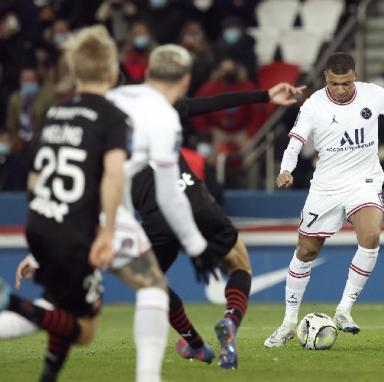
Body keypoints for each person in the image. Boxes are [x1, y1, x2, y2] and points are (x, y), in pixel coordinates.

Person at [0, 82, 306, 371]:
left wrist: (40, 254)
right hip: (195, 199)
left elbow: (75, 194)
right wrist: (264, 95)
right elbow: (209, 104)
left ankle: (194, 343)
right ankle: (230, 320)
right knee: (239, 263)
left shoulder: (96, 131)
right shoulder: (157, 109)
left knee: (152, 285)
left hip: (156, 217)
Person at [0, 25, 129, 382]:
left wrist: (43, 222)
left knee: (59, 308)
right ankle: (9, 301)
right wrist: (108, 231)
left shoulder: (56, 113)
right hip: (74, 233)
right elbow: (113, 174)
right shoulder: (111, 116)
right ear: (110, 71)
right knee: (84, 329)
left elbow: (33, 178)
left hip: (42, 221)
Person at [264, 52, 384, 347]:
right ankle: (288, 323)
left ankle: (344, 310)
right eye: (334, 83)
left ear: (354, 75)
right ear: (326, 79)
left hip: (364, 182)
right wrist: (285, 169)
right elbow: (296, 141)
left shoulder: (374, 95)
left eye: (345, 83)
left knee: (371, 235)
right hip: (326, 187)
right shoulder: (314, 104)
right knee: (306, 252)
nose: (340, 89)